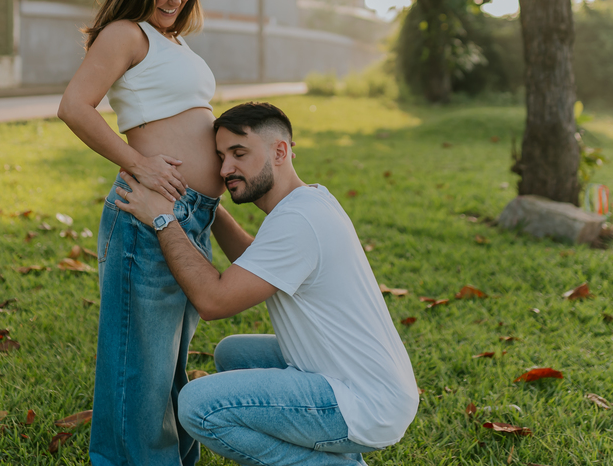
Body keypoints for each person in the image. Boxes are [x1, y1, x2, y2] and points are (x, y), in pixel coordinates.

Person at [113, 102, 420, 466]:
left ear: (280, 151)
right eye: (220, 157)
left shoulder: (298, 221)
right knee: (233, 354)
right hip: (371, 384)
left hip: (365, 403)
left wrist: (163, 219)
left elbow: (213, 301)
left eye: (239, 153)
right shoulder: (308, 202)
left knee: (199, 406)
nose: (225, 169)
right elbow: (256, 260)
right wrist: (207, 204)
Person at [57, 0, 223, 466]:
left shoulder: (174, 40)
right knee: (140, 367)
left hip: (190, 217)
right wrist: (140, 163)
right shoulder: (126, 34)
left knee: (169, 363)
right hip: (149, 213)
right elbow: (74, 106)